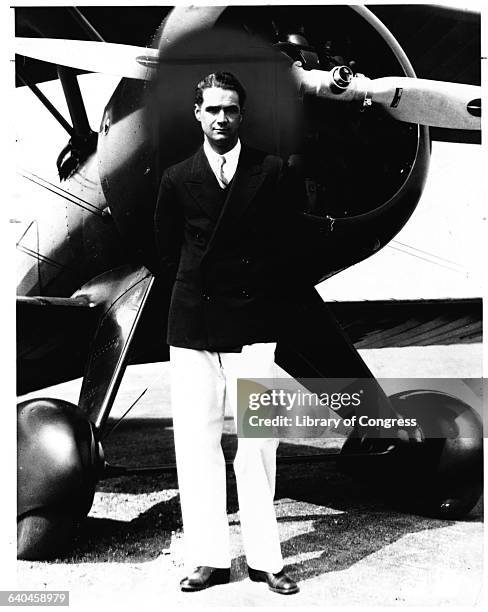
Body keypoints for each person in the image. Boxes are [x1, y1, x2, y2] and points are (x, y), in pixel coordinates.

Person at [154, 71, 307, 595]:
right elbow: (165, 254)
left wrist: (264, 302)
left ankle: (267, 560)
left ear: (243, 115)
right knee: (196, 441)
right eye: (213, 109)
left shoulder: (274, 171)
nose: (222, 118)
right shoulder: (176, 178)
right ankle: (209, 558)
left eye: (231, 110)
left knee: (258, 442)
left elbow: (291, 250)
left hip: (254, 325)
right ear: (198, 114)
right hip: (194, 321)